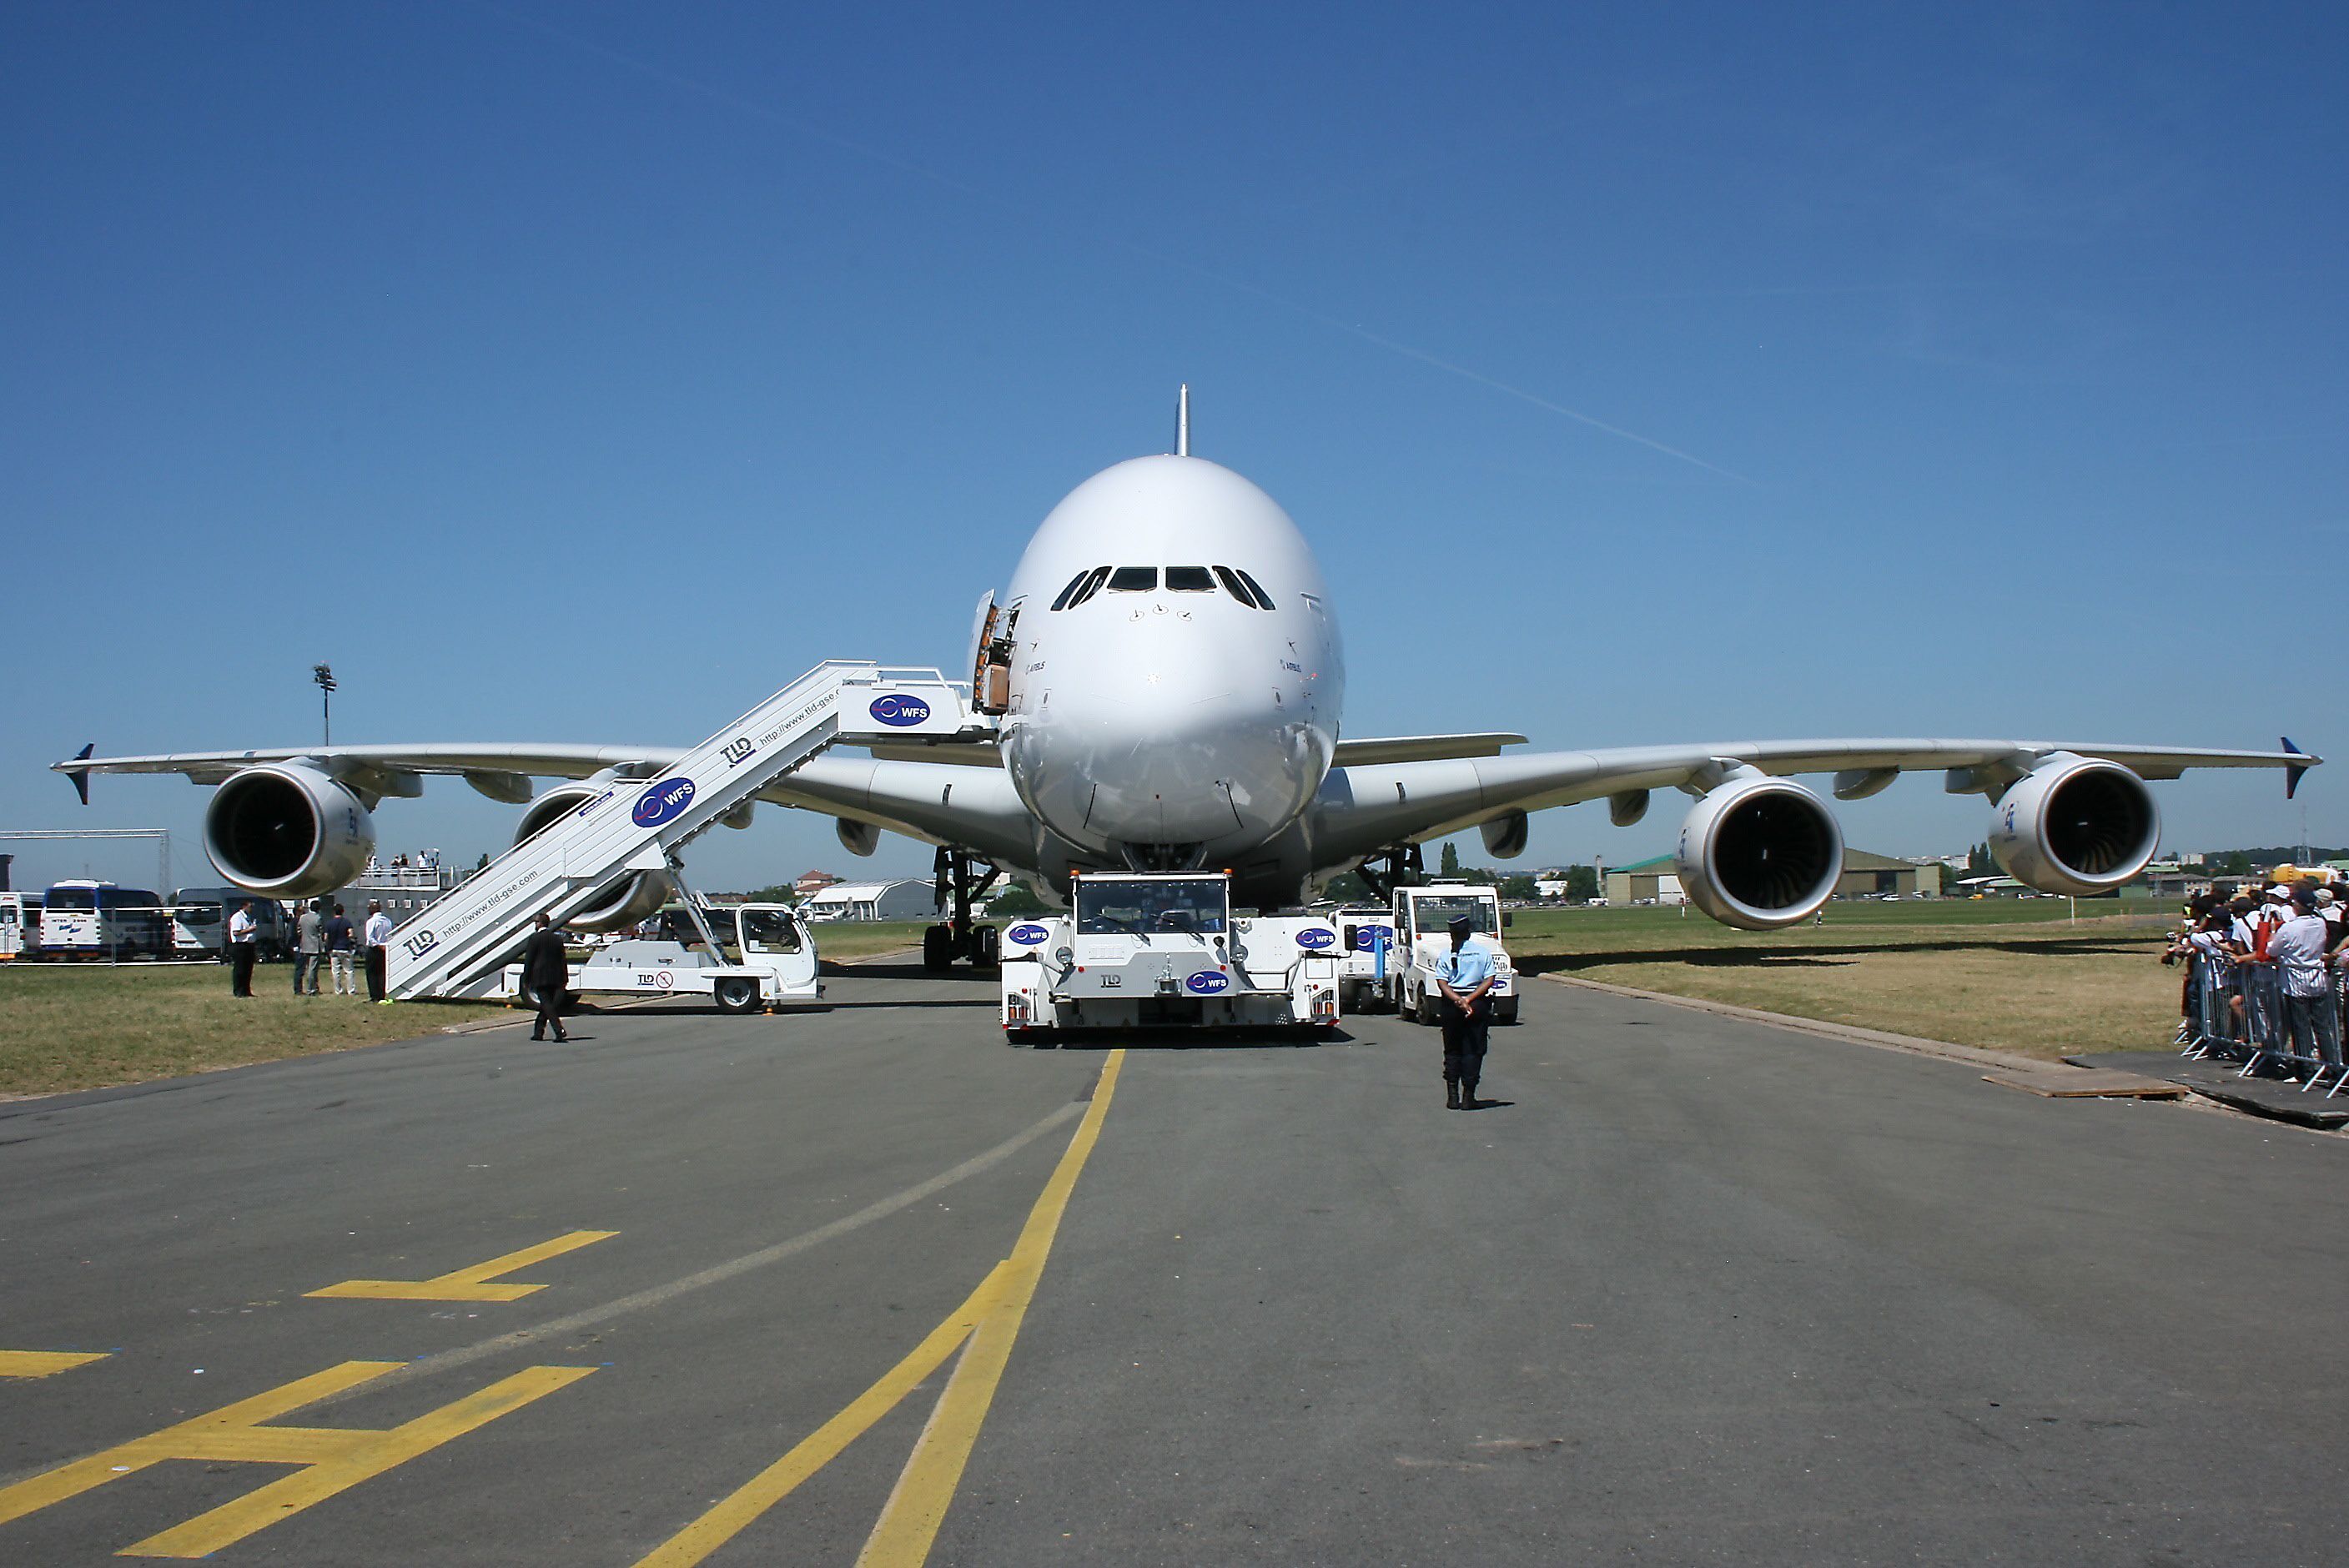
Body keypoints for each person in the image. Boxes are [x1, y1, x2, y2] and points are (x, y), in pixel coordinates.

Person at [2268, 887, 2339, 1071]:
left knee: (2300, 1027)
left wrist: (2273, 934)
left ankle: (2305, 1067)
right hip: (2317, 977)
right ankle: (2330, 1065)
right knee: (2322, 1026)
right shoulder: (2320, 923)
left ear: (2297, 906)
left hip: (2295, 980)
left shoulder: (2290, 927)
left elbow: (2272, 950)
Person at [1433, 912, 1497, 1109]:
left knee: (1452, 1049)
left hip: (1452, 1004)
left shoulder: (1445, 954)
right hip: (1476, 1002)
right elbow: (1489, 979)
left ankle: (1452, 1096)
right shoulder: (1482, 952)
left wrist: (1458, 1000)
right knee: (1473, 1050)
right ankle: (1468, 1097)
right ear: (1468, 932)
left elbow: (1442, 982)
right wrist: (1469, 1000)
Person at [520, 913, 570, 1042]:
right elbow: (562, 960)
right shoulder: (557, 939)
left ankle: (559, 1030)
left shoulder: (534, 939)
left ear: (540, 924)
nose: (535, 925)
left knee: (547, 1005)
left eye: (536, 922)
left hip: (540, 977)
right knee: (546, 1006)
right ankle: (538, 1032)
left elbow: (529, 960)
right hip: (555, 977)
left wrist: (526, 979)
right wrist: (565, 977)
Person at [227, 899, 258, 997]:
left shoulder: (248, 917)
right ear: (244, 906)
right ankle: (238, 991)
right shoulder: (237, 917)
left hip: (249, 945)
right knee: (240, 969)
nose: (252, 909)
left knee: (248, 969)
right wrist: (249, 930)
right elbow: (236, 933)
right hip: (240, 946)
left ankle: (246, 990)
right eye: (250, 906)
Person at [364, 900, 393, 1003]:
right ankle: (382, 995)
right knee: (382, 973)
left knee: (372, 974)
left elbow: (370, 938)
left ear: (373, 909)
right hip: (385, 949)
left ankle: (374, 996)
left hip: (375, 949)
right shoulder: (387, 921)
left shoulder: (372, 921)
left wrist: (378, 945)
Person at [324, 902, 356, 995]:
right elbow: (351, 934)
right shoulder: (347, 922)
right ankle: (351, 990)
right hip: (345, 948)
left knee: (336, 971)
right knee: (349, 971)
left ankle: (338, 990)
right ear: (343, 912)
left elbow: (326, 937)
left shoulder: (329, 923)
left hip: (334, 949)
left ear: (334, 912)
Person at [294, 899, 324, 994]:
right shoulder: (318, 918)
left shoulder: (302, 917)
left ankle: (314, 987)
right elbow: (321, 932)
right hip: (314, 946)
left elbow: (298, 930)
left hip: (304, 945)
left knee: (305, 968)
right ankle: (311, 989)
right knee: (312, 969)